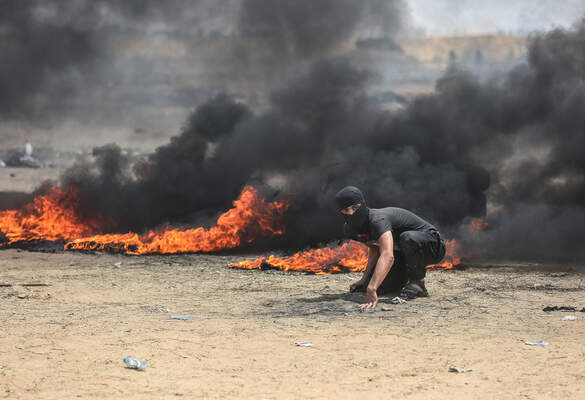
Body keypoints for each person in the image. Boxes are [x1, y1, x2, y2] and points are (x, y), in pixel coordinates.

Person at [335, 186, 446, 310]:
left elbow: (388, 255)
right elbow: (374, 248)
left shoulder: (377, 220)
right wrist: (365, 280)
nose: (351, 213)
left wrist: (372, 288)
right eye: (346, 210)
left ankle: (418, 283)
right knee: (373, 286)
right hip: (403, 253)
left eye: (355, 208)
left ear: (362, 205)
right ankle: (404, 282)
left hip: (432, 246)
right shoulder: (350, 228)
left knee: (407, 238)